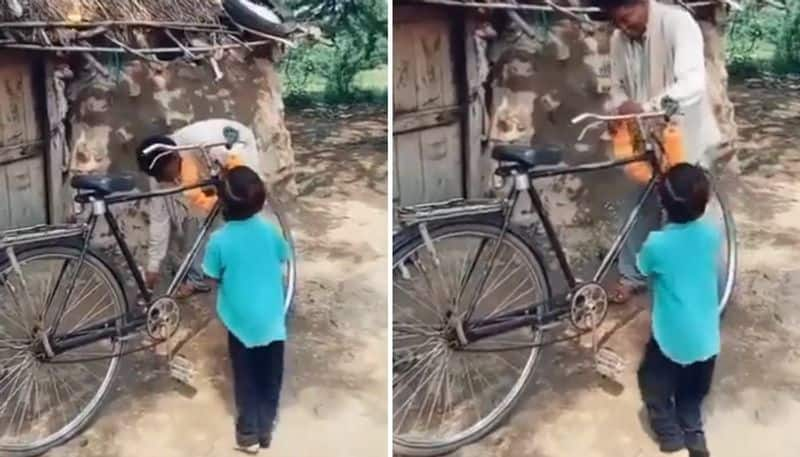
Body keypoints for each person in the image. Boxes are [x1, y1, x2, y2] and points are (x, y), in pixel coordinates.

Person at [595, 0, 722, 303]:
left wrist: (648, 108)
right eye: (617, 22)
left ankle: (710, 290)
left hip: (685, 136)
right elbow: (619, 86)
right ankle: (633, 275)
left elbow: (692, 82)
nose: (622, 27)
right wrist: (620, 110)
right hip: (647, 138)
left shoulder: (677, 23)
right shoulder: (618, 38)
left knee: (691, 215)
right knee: (637, 202)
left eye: (626, 18)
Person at [202, 166, 290, 454]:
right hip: (273, 320)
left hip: (240, 323)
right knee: (271, 375)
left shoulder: (219, 240)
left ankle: (248, 434)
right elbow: (283, 257)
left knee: (246, 377)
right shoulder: (271, 231)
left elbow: (211, 276)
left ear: (223, 203)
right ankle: (266, 429)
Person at [636, 163, 720, 457]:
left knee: (652, 382)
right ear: (704, 204)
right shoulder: (712, 235)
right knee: (692, 394)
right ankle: (694, 433)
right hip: (708, 342)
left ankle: (670, 437)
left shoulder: (657, 244)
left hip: (670, 340)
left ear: (662, 201)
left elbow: (641, 267)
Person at [136, 119, 262, 298]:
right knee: (194, 218)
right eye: (158, 178)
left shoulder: (204, 142)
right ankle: (196, 278)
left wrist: (229, 186)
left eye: (166, 176)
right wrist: (153, 266)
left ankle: (252, 268)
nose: (164, 182)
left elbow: (235, 163)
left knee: (240, 208)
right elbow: (159, 220)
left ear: (175, 158)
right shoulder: (157, 170)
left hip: (236, 148)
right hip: (207, 169)